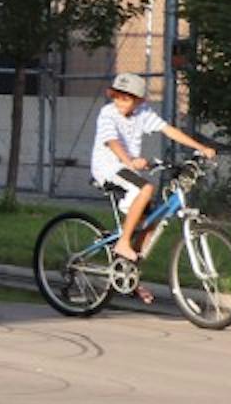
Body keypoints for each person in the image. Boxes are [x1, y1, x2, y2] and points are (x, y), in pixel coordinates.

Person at [92, 72, 215, 303]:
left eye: (127, 99)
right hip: (108, 168)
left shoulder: (143, 114)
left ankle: (130, 277)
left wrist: (201, 147)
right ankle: (122, 243)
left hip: (129, 171)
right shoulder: (107, 113)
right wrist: (129, 160)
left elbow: (168, 130)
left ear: (139, 101)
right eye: (117, 97)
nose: (121, 102)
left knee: (152, 224)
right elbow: (112, 142)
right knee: (146, 188)